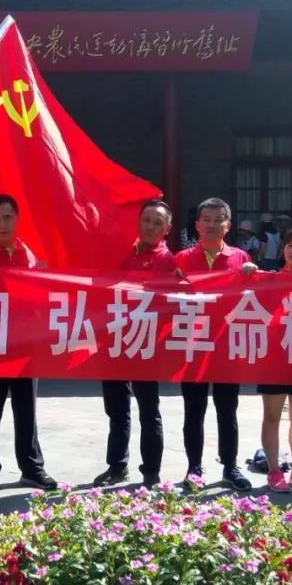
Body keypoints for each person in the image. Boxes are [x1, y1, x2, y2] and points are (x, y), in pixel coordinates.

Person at [0, 195, 57, 494]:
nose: (3, 224)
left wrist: (44, 275)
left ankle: (32, 467)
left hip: (25, 346)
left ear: (17, 220)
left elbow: (46, 297)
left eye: (8, 217)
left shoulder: (32, 258)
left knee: (26, 409)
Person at [94, 199, 176, 490]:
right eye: (147, 220)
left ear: (167, 229)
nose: (151, 227)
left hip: (146, 342)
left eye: (158, 223)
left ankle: (151, 471)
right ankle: (117, 466)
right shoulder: (122, 252)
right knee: (117, 408)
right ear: (138, 222)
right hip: (115, 338)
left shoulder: (168, 262)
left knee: (148, 409)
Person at [174, 197, 253, 493]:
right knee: (194, 410)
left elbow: (254, 299)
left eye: (218, 219)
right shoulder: (181, 259)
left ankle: (230, 466)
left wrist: (253, 276)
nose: (211, 225)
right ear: (197, 224)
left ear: (228, 225)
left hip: (226, 345)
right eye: (206, 219)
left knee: (227, 409)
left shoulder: (241, 258)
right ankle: (194, 468)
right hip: (193, 345)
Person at [241, 227, 292, 494]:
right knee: (272, 416)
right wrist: (250, 272)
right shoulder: (271, 279)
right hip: (275, 358)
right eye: (289, 245)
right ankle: (274, 471)